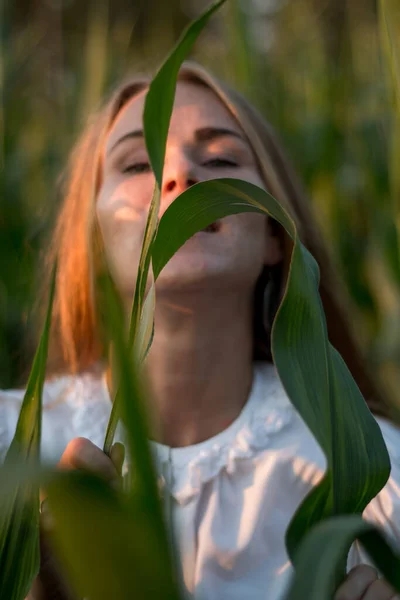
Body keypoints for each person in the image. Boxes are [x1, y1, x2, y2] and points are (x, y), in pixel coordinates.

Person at [1, 62, 400, 600]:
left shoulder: (374, 474)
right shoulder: (14, 454)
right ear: (90, 245)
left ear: (275, 237)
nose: (180, 175)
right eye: (138, 163)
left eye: (220, 158)